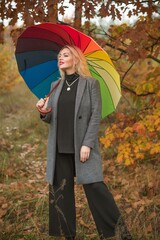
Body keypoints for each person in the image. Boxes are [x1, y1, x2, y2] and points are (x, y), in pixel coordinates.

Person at [36, 45, 132, 240]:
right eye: (59, 56)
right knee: (60, 191)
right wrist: (43, 110)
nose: (61, 58)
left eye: (65, 54)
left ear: (76, 58)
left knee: (96, 187)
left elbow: (95, 116)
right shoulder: (55, 85)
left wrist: (87, 143)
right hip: (59, 147)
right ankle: (67, 235)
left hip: (82, 146)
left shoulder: (90, 84)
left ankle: (118, 233)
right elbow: (50, 119)